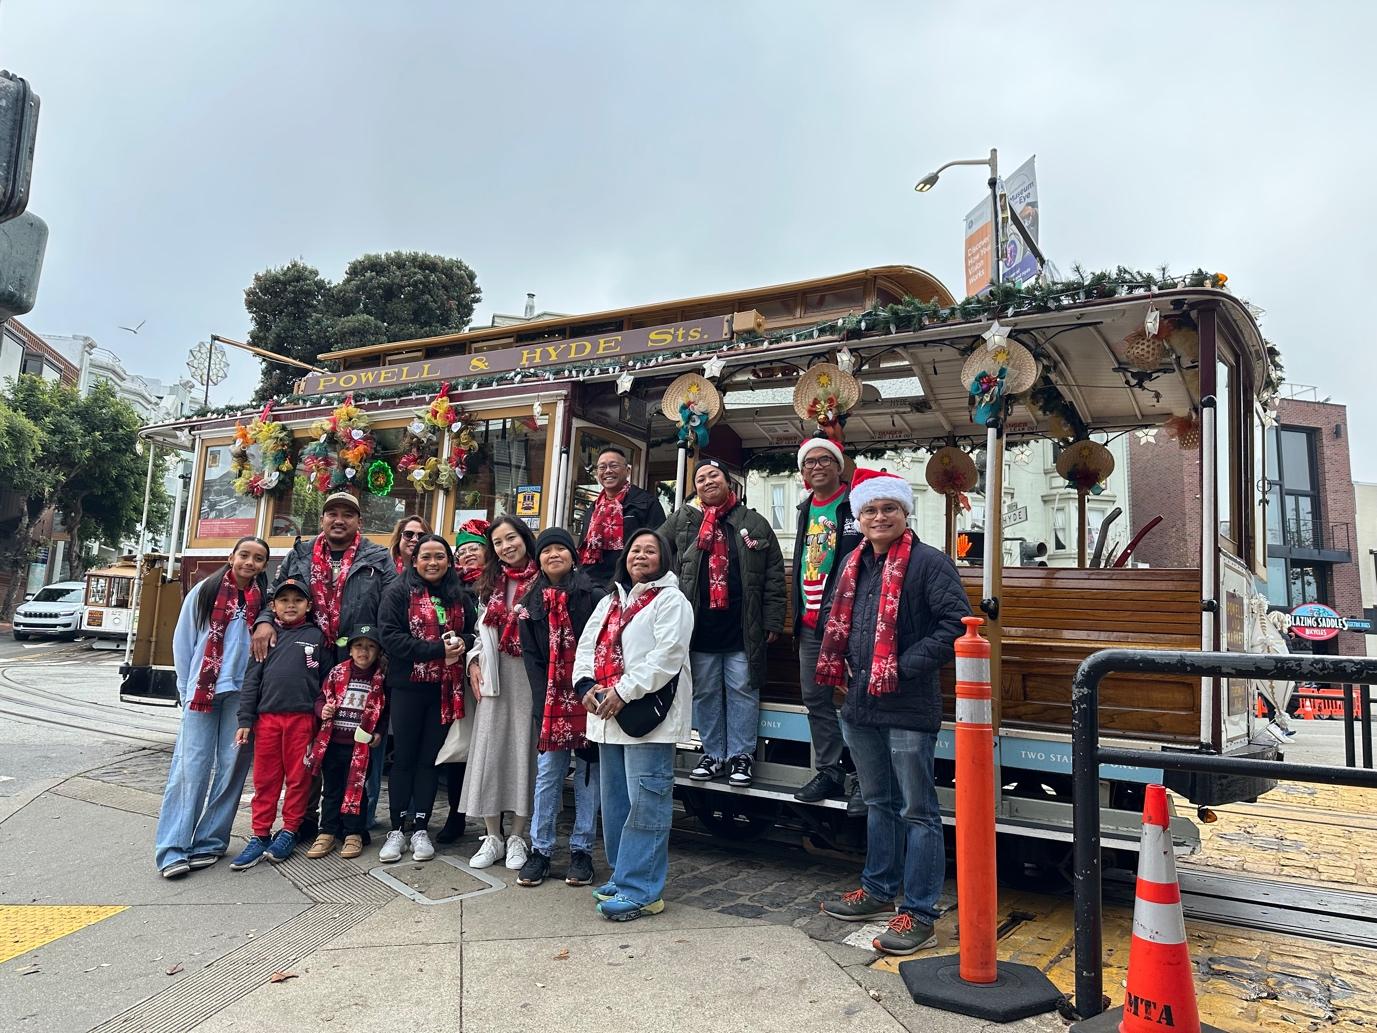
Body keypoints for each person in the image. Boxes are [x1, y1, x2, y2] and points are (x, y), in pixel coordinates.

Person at [816, 469, 970, 956]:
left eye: (889, 508)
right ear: (858, 519)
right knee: (878, 802)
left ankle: (919, 911)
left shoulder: (929, 563)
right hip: (859, 703)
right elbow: (834, 621)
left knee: (917, 810)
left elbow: (954, 625)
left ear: (905, 514)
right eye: (870, 510)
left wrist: (898, 668)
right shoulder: (852, 565)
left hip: (906, 704)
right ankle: (879, 890)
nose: (879, 517)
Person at [253, 491, 396, 839]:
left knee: (360, 738)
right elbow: (276, 593)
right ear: (322, 519)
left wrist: (382, 656)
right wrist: (265, 620)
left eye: (348, 514)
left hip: (357, 657)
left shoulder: (377, 557)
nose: (339, 520)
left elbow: (390, 606)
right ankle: (304, 820)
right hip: (309, 655)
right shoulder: (300, 554)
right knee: (312, 735)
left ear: (358, 521)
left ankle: (355, 823)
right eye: (332, 513)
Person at [573, 528, 694, 922]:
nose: (640, 556)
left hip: (646, 718)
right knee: (615, 804)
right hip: (607, 716)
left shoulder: (671, 601)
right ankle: (623, 876)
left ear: (664, 559)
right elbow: (587, 647)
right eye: (635, 550)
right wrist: (586, 685)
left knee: (647, 804)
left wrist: (623, 691)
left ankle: (642, 891)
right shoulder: (610, 600)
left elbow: (666, 657)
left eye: (650, 551)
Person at [661, 459, 785, 788]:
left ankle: (741, 756)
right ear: (696, 488)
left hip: (742, 626)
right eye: (700, 478)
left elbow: (773, 574)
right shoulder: (684, 520)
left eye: (713, 475)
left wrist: (772, 618)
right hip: (699, 625)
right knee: (705, 692)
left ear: (729, 482)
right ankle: (714, 753)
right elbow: (655, 551)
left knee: (742, 689)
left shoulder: (753, 523)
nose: (707, 481)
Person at [154, 536, 270, 879]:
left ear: (264, 565)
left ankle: (210, 840)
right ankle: (172, 848)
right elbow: (183, 642)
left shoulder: (262, 601)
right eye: (244, 555)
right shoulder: (205, 591)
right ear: (232, 556)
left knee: (233, 766)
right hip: (202, 691)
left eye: (258, 558)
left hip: (242, 694)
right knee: (191, 768)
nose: (250, 562)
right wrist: (185, 688)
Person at [378, 534, 477, 863]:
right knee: (403, 757)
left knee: (430, 760)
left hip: (444, 689)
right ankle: (396, 829)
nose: (432, 563)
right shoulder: (397, 592)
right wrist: (436, 650)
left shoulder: (459, 595)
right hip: (408, 686)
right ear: (414, 560)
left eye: (439, 556)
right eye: (426, 557)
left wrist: (462, 641)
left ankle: (421, 827)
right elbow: (390, 637)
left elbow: (473, 631)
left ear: (449, 561)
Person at [517, 527, 603, 888]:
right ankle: (541, 849)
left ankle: (582, 850)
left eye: (560, 549)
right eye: (547, 550)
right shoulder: (529, 604)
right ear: (538, 559)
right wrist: (543, 701)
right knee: (549, 774)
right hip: (550, 701)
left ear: (573, 555)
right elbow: (532, 659)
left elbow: (602, 646)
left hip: (587, 695)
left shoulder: (594, 596)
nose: (554, 555)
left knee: (587, 776)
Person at [461, 516, 542, 870]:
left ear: (525, 538)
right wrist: (473, 662)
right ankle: (492, 835)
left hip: (530, 676)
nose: (506, 546)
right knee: (491, 752)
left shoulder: (543, 579)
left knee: (524, 751)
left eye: (511, 538)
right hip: (495, 675)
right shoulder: (490, 584)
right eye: (498, 542)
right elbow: (479, 635)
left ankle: (517, 837)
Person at [231, 577, 328, 868]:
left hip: (302, 721)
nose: (290, 605)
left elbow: (327, 680)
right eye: (284, 600)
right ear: (273, 605)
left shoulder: (318, 638)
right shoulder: (267, 636)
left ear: (309, 606)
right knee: (265, 779)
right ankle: (260, 834)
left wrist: (321, 716)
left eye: (297, 600)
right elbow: (252, 680)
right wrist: (245, 719)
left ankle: (289, 830)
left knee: (299, 779)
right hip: (268, 720)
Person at [790, 437, 865, 808]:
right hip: (810, 623)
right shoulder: (805, 509)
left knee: (859, 698)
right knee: (815, 698)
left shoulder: (858, 504)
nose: (817, 467)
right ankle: (831, 771)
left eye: (825, 460)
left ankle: (866, 779)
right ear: (803, 472)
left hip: (851, 622)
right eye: (809, 463)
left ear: (839, 466)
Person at [306, 624, 387, 860]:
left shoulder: (380, 680)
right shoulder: (337, 673)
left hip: (360, 747)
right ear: (350, 650)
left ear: (378, 652)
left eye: (371, 647)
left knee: (357, 790)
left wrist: (379, 734)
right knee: (332, 789)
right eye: (359, 646)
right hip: (334, 743)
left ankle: (354, 832)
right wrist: (323, 710)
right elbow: (321, 699)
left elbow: (384, 711)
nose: (364, 651)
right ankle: (327, 831)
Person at [433, 518, 490, 845]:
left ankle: (490, 823)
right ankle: (456, 815)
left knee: (490, 750)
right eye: (463, 550)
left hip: (493, 677)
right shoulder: (451, 586)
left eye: (475, 549)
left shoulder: (495, 584)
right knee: (461, 747)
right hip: (460, 678)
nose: (468, 555)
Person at [576, 446, 667, 590]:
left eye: (613, 465)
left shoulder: (646, 503)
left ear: (627, 471)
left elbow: (660, 545)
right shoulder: (593, 509)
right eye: (602, 467)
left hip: (629, 583)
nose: (608, 471)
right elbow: (583, 546)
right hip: (591, 584)